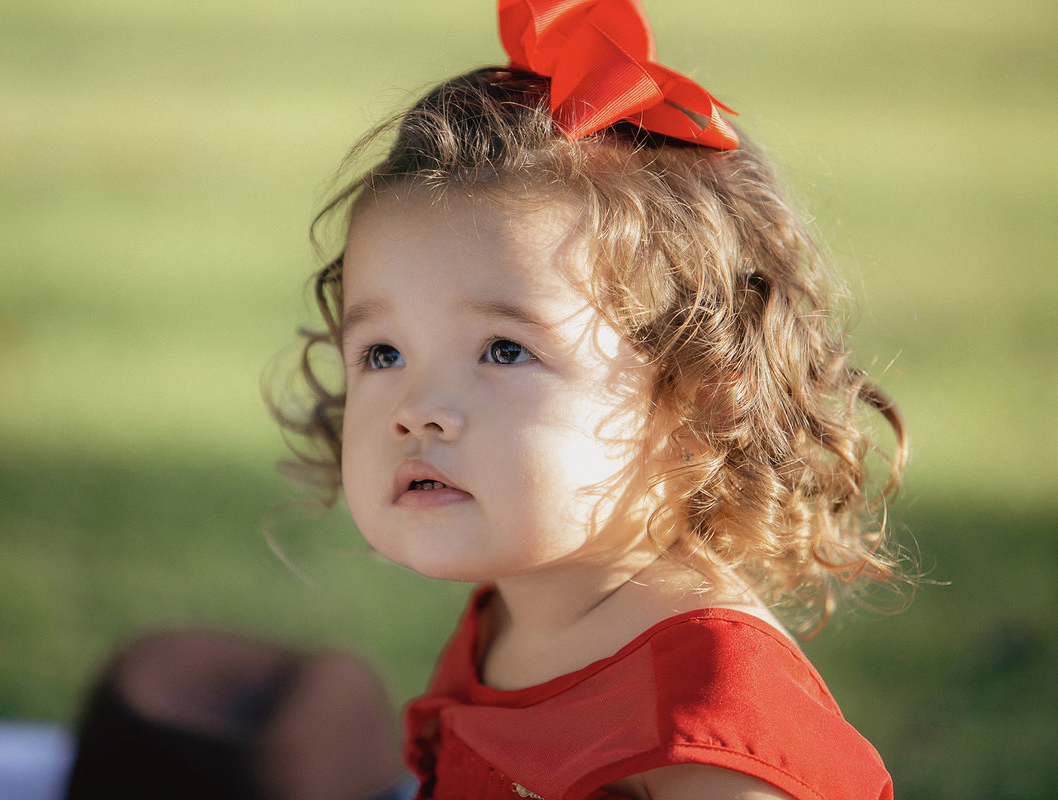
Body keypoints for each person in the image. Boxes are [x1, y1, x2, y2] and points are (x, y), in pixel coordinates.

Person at [272, 1, 909, 798]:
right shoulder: (513, 611)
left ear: (699, 399)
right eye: (383, 352)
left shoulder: (711, 717)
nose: (416, 406)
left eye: (505, 349)